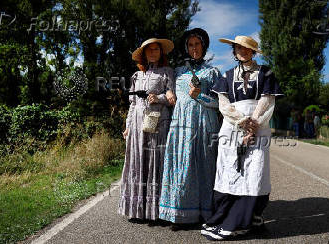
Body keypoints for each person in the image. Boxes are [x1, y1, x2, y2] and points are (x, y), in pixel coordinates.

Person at [201, 35, 283, 241]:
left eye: (246, 48)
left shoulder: (266, 72)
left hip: (259, 127)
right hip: (231, 127)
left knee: (254, 173)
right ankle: (223, 218)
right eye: (238, 47)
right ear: (234, 50)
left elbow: (267, 101)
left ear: (253, 51)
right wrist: (242, 122)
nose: (242, 51)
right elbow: (223, 105)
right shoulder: (227, 76)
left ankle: (242, 221)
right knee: (230, 171)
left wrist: (253, 126)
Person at [159, 28, 222, 230]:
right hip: (181, 123)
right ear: (187, 48)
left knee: (204, 165)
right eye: (190, 45)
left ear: (204, 46)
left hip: (205, 122)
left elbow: (220, 103)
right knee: (181, 165)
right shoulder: (178, 71)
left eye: (198, 44)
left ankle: (205, 213)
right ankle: (179, 213)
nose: (194, 48)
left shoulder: (213, 72)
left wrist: (200, 96)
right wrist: (169, 92)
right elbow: (165, 88)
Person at [119, 38, 175, 224]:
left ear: (161, 52)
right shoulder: (136, 76)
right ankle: (137, 210)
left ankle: (157, 210)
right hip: (137, 125)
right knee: (138, 163)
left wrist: (158, 97)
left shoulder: (167, 72)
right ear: (144, 54)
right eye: (149, 50)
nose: (153, 53)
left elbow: (172, 98)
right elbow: (133, 104)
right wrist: (127, 126)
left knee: (155, 163)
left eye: (156, 50)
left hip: (158, 124)